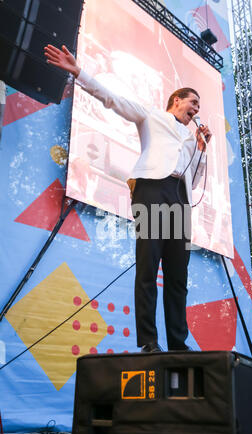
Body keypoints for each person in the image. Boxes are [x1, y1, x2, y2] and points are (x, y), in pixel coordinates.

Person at [44, 44, 212, 353]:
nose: (196, 110)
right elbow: (113, 100)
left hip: (180, 200)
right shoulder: (151, 116)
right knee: (148, 267)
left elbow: (196, 179)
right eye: (193, 102)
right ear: (177, 100)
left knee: (178, 274)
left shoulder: (191, 139)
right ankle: (148, 341)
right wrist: (78, 71)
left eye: (199, 107)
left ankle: (178, 342)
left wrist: (201, 149)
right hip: (152, 190)